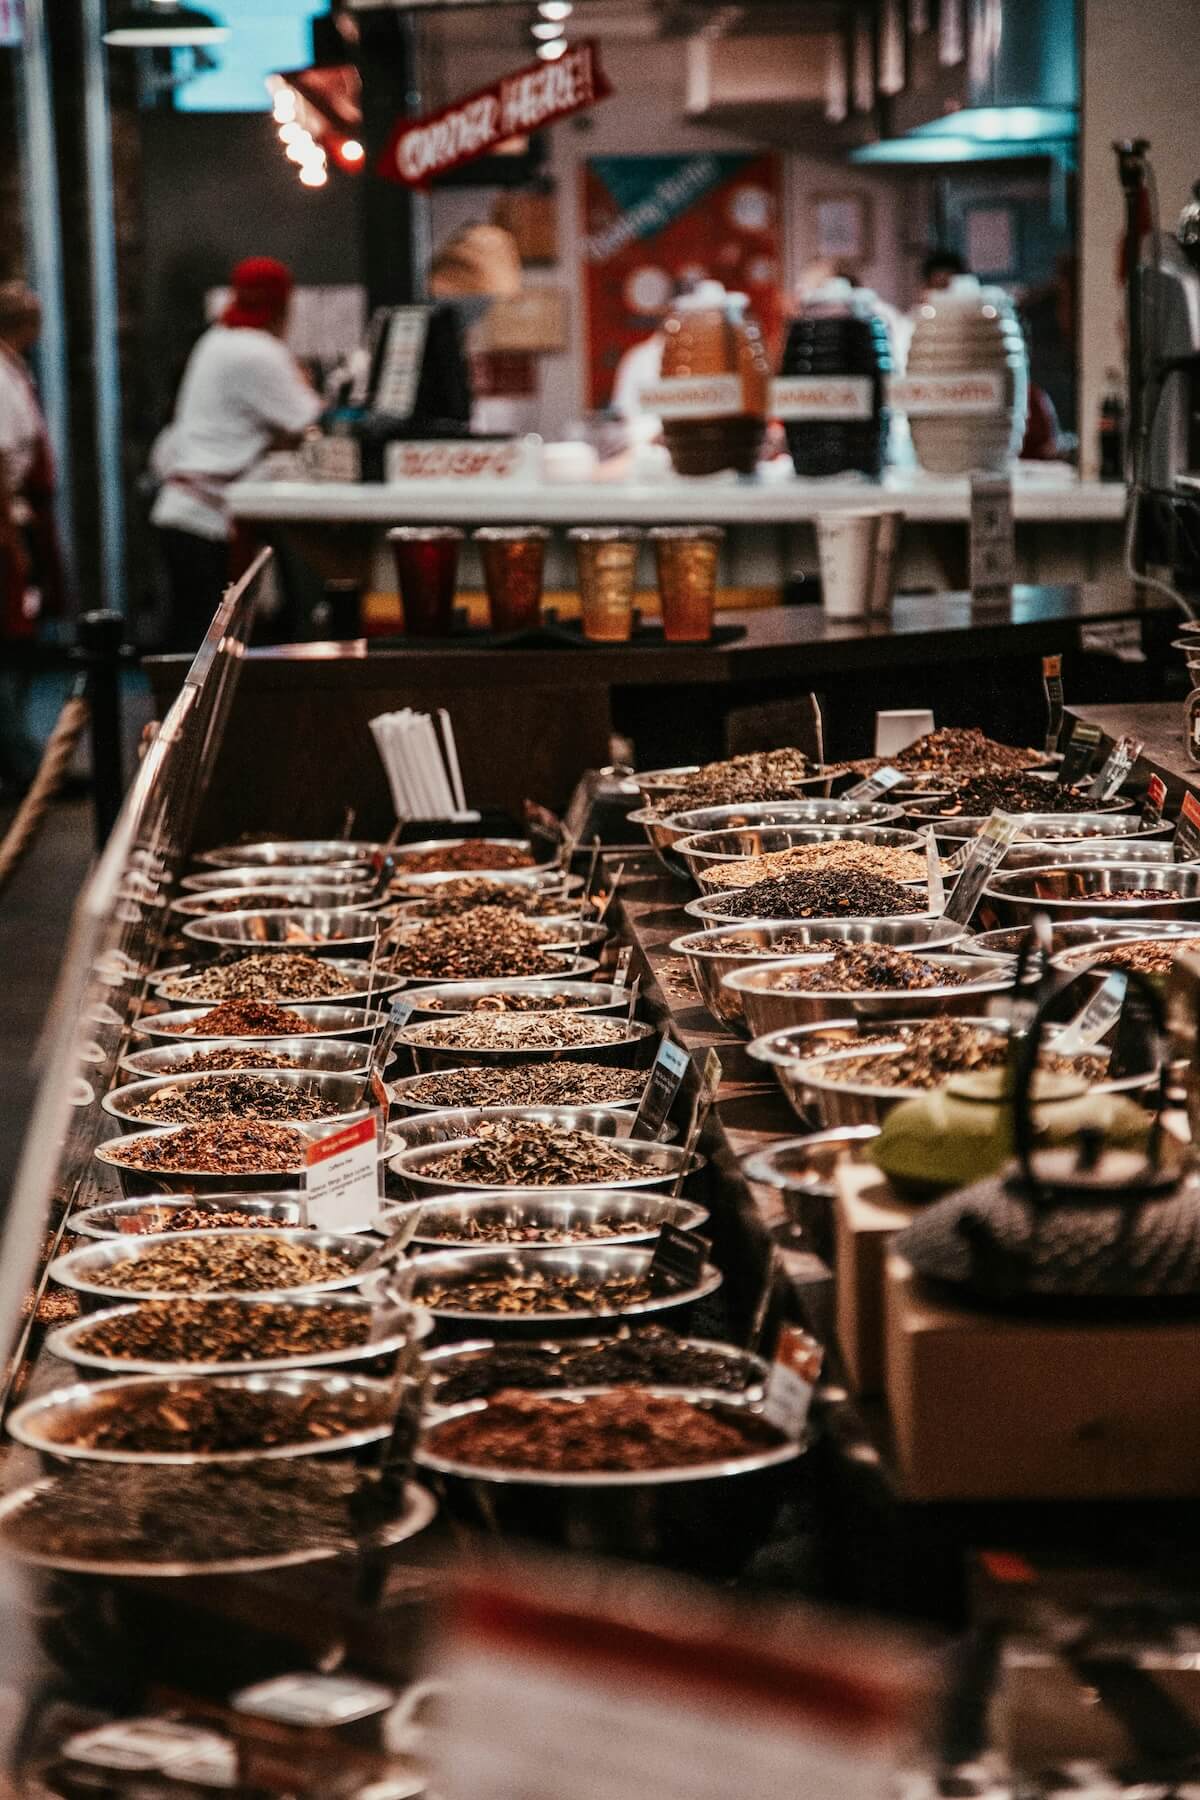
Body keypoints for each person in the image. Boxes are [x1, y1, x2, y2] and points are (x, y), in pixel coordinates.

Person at [151, 256, 321, 650]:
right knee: (205, 654)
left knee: (193, 649)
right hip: (204, 520)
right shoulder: (259, 350)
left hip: (184, 512)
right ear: (284, 304)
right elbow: (309, 421)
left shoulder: (216, 339)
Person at [0, 280, 65, 797]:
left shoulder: (14, 368)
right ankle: (20, 761)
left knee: (21, 638)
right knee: (10, 641)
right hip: (6, 522)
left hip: (20, 515)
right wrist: (11, 539)